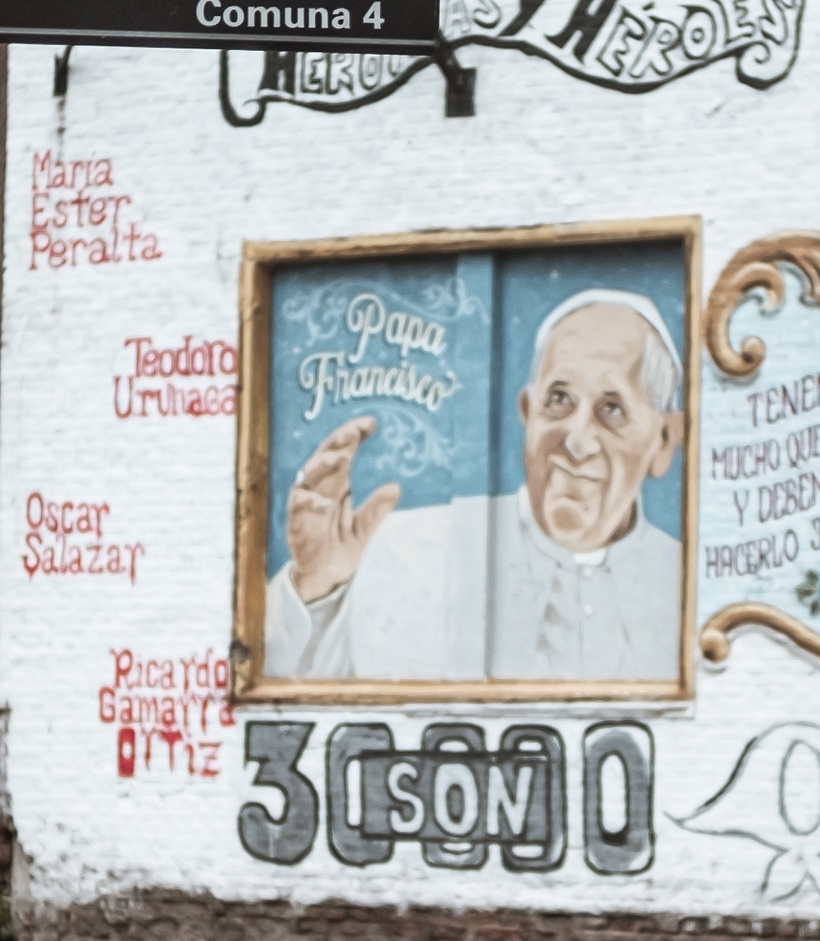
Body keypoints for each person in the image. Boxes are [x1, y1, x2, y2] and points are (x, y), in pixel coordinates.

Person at [262, 288, 686, 684]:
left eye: (612, 409)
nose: (576, 442)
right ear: (528, 411)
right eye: (559, 399)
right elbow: (293, 690)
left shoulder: (683, 584)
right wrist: (319, 593)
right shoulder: (411, 548)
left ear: (664, 441)